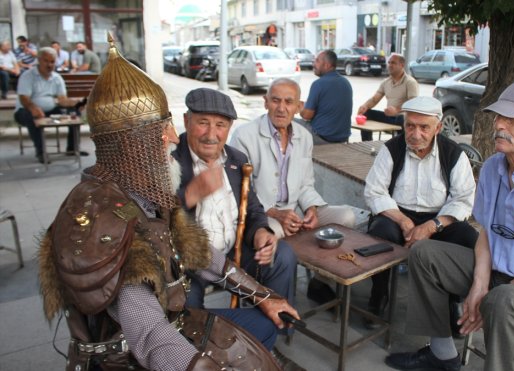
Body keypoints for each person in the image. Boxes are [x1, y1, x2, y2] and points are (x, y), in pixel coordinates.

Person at [38, 35, 297, 371]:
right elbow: (149, 334)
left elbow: (195, 251)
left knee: (264, 324)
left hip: (170, 317)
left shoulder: (135, 194)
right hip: (130, 355)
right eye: (162, 132)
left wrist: (263, 295)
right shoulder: (102, 221)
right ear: (132, 145)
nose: (173, 138)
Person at [385, 80, 514, 371]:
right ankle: (442, 355)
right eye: (498, 116)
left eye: (512, 119)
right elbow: (486, 234)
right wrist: (480, 284)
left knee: (504, 301)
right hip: (497, 272)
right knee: (424, 253)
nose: (499, 125)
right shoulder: (493, 167)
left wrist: (491, 297)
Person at [231, 78, 356, 304]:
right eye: (276, 100)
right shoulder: (244, 135)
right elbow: (240, 190)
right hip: (262, 214)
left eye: (289, 102)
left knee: (346, 217)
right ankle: (270, 299)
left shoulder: (304, 136)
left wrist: (311, 209)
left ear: (299, 106)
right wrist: (274, 213)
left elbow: (306, 183)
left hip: (295, 211)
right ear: (265, 102)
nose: (282, 107)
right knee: (272, 234)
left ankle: (320, 282)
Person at [172, 87, 298, 309]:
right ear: (186, 120)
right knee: (183, 299)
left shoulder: (236, 159)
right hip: (190, 262)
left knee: (283, 256)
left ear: (229, 128)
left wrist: (261, 232)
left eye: (220, 125)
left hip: (233, 251)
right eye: (203, 122)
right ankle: (201, 343)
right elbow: (151, 218)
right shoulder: (170, 159)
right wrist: (189, 195)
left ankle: (265, 332)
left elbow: (254, 209)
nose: (211, 135)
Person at [363, 96, 478, 330]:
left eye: (424, 127)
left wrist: (432, 225)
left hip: (439, 220)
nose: (416, 133)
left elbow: (463, 199)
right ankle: (379, 294)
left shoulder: (453, 154)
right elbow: (374, 192)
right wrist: (403, 221)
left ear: (438, 127)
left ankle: (453, 299)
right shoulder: (391, 149)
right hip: (397, 215)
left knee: (470, 240)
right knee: (380, 232)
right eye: (410, 126)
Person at [14, 47, 89, 164]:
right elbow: (24, 98)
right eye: (46, 61)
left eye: (52, 62)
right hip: (25, 110)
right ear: (39, 60)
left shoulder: (57, 78)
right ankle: (41, 152)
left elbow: (62, 99)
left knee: (75, 112)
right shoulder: (28, 76)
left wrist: (77, 103)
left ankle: (72, 148)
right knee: (30, 115)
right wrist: (33, 108)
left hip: (50, 109)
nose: (49, 65)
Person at [357, 53, 418, 141]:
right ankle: (367, 144)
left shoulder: (410, 82)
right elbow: (374, 99)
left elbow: (413, 104)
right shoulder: (386, 82)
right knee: (366, 113)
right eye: (389, 62)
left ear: (402, 65)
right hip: (389, 116)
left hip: (403, 118)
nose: (389, 65)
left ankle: (400, 147)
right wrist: (365, 106)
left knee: (402, 119)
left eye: (393, 63)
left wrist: (396, 110)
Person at [299, 49, 353, 144]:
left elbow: (307, 115)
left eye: (317, 61)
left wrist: (300, 108)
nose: (313, 64)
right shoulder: (345, 82)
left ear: (327, 65)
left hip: (322, 138)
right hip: (343, 139)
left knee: (288, 122)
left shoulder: (318, 84)